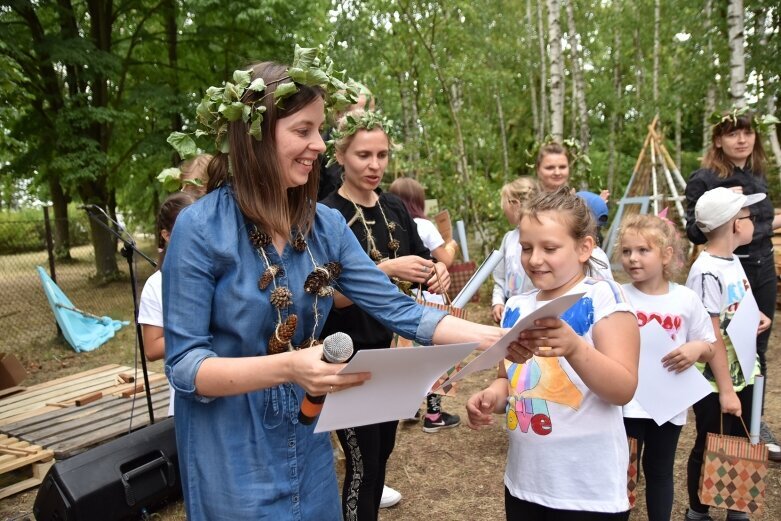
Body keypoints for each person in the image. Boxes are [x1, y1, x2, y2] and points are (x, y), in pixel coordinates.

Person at [163, 56, 509, 520]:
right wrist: (288, 367)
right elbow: (184, 367)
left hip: (308, 439)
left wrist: (497, 339)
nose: (320, 145)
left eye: (321, 130)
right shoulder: (200, 229)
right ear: (257, 134)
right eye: (304, 130)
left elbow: (399, 310)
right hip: (231, 450)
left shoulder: (324, 225)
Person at [466, 186, 639, 520]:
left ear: (584, 247)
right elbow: (510, 381)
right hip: (524, 484)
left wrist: (574, 347)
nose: (534, 259)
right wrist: (491, 396)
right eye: (526, 247)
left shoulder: (603, 297)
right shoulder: (516, 307)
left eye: (550, 248)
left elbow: (623, 388)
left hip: (588, 492)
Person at [320, 111, 458, 520]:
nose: (375, 165)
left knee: (382, 454)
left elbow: (422, 261)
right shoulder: (325, 214)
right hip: (346, 356)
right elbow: (327, 296)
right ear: (340, 155)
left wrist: (438, 271)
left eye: (381, 154)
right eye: (364, 154)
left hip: (390, 350)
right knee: (362, 463)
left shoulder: (395, 207)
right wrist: (384, 271)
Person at [684, 109, 781, 457]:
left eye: (747, 132)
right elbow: (695, 229)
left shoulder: (758, 173)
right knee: (719, 338)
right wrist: (726, 203)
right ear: (718, 140)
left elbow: (767, 220)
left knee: (755, 341)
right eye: (732, 133)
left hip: (758, 265)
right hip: (725, 263)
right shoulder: (705, 178)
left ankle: (753, 419)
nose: (742, 139)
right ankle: (723, 404)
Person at [617, 214, 716, 521]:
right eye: (626, 251)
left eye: (643, 250)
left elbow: (709, 345)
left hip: (667, 407)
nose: (633, 259)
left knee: (660, 472)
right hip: (625, 405)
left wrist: (695, 348)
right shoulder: (617, 296)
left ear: (666, 254)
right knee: (622, 474)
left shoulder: (685, 299)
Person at [684, 187, 771, 521]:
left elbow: (735, 305)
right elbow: (710, 333)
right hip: (717, 381)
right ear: (736, 225)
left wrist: (756, 315)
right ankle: (698, 511)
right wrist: (725, 390)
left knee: (741, 441)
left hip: (743, 371)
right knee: (712, 441)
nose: (754, 225)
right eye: (750, 218)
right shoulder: (706, 271)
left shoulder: (732, 261)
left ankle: (738, 507)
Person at [388, 176, 463, 435]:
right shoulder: (424, 225)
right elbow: (445, 260)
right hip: (429, 299)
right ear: (418, 200)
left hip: (400, 300)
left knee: (407, 356)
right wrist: (451, 245)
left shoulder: (390, 226)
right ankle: (434, 415)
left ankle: (408, 407)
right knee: (433, 358)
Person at [137, 191, 197, 417]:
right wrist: (200, 331)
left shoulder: (219, 272)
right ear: (166, 235)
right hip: (189, 397)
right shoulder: (157, 284)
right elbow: (152, 348)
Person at [490, 177, 537, 324]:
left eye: (504, 203)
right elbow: (500, 276)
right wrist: (498, 301)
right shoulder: (508, 238)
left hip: (535, 310)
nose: (503, 209)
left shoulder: (540, 237)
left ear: (515, 204)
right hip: (511, 311)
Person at [317, 81, 374, 201]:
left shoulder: (375, 151)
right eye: (360, 113)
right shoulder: (319, 149)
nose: (367, 121)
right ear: (339, 114)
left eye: (371, 114)